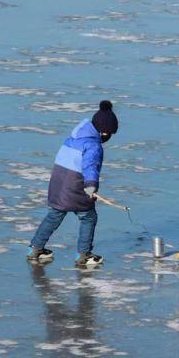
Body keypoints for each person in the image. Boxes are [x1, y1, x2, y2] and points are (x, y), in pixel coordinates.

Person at [27, 100, 119, 266]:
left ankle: (35, 249)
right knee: (88, 217)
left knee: (54, 215)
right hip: (76, 186)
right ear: (104, 133)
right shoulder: (93, 145)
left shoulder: (73, 138)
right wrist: (91, 186)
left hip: (58, 183)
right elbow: (90, 166)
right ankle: (84, 255)